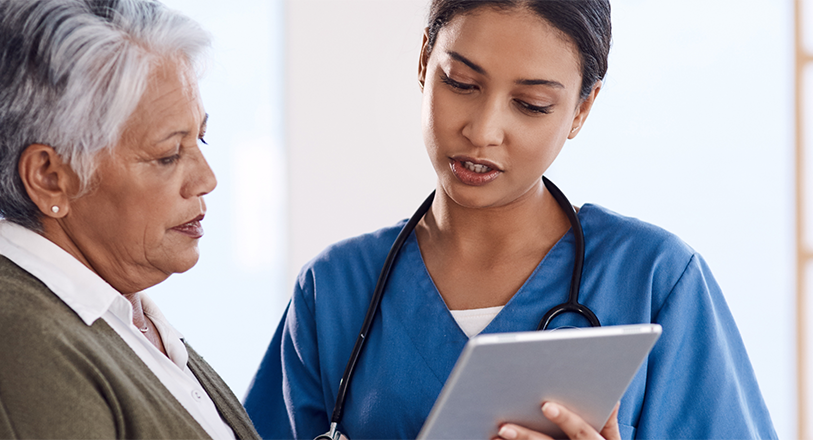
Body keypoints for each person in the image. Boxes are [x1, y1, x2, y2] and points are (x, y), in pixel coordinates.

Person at [243, 1, 778, 439]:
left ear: (582, 111)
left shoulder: (655, 279)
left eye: (531, 104)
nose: (483, 129)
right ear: (424, 59)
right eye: (461, 82)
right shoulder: (334, 290)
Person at [0, 1, 260, 439]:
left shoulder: (121, 319)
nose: (207, 179)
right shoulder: (18, 354)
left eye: (200, 139)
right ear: (50, 178)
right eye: (168, 155)